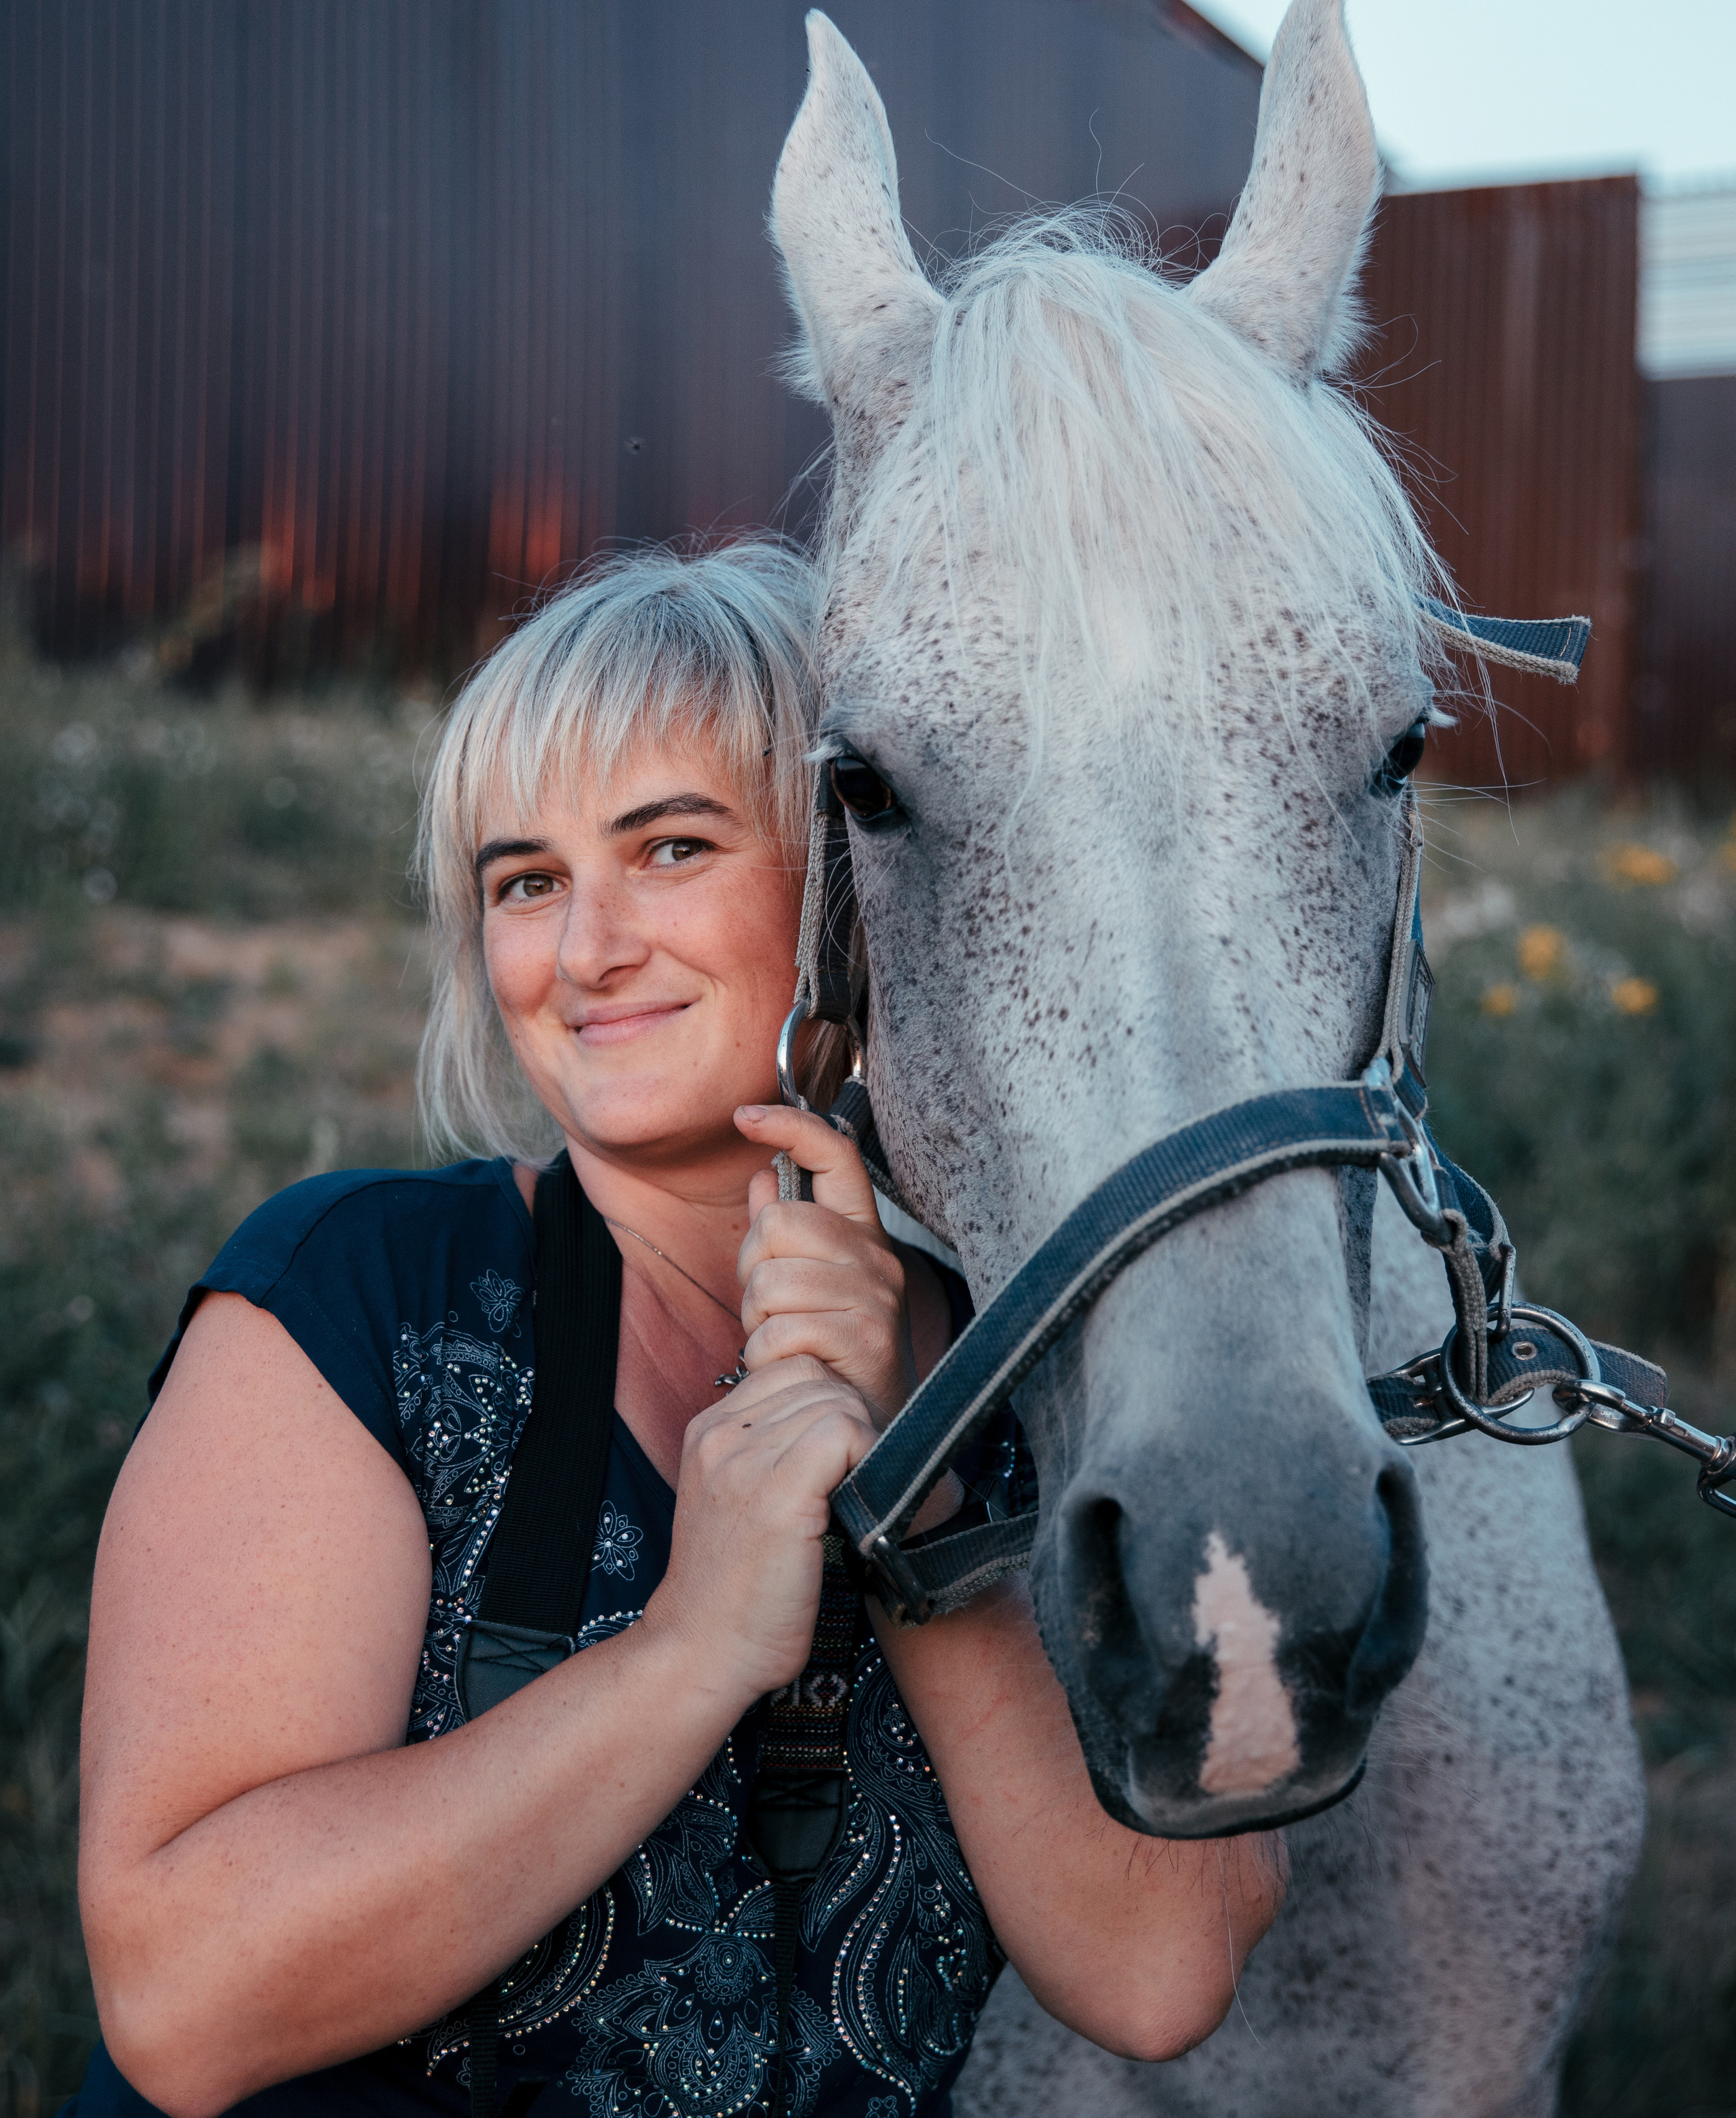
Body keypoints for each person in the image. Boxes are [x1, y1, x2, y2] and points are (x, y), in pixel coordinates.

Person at [71, 541, 1285, 2118]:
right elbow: (182, 1996)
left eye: (668, 847)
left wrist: (915, 1493)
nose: (584, 951)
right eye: (527, 881)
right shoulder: (361, 1300)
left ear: (851, 883)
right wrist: (693, 1644)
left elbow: (1154, 1969)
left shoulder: (1041, 1362)